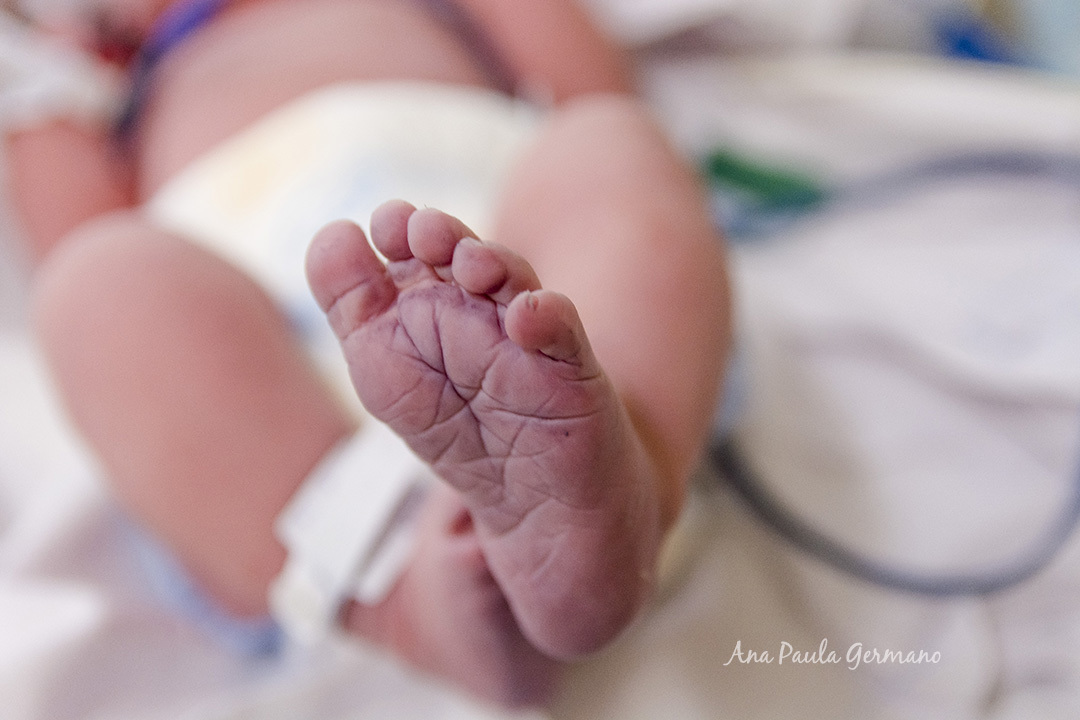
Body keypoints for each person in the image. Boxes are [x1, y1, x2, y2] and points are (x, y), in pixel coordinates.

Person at [6, 0, 730, 707]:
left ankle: (610, 491)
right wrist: (57, 94)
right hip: (257, 333)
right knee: (94, 280)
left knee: (606, 141)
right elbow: (73, 230)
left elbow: (586, 90)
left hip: (500, 249)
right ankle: (405, 594)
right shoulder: (126, 64)